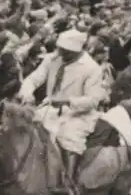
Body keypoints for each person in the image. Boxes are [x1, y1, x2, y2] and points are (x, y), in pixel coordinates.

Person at [17, 29, 106, 182]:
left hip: (77, 114)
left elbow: (93, 100)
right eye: (60, 49)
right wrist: (27, 94)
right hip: (49, 108)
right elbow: (33, 79)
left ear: (77, 51)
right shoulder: (52, 59)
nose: (61, 54)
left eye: (66, 52)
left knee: (68, 137)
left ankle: (67, 181)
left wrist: (68, 101)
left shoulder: (92, 68)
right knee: (22, 129)